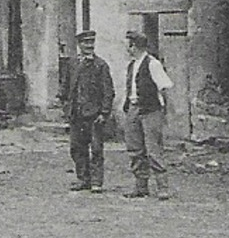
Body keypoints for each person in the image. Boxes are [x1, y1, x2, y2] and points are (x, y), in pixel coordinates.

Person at [122, 30, 174, 200]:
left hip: (151, 110)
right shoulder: (131, 65)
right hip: (133, 109)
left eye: (128, 44)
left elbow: (164, 87)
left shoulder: (153, 64)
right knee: (135, 148)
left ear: (134, 46)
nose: (127, 48)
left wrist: (164, 110)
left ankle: (162, 187)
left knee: (153, 149)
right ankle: (141, 186)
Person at [61, 29, 114, 192]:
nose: (89, 46)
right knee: (77, 147)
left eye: (91, 43)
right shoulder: (72, 63)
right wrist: (65, 105)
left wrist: (104, 113)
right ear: (79, 45)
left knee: (96, 148)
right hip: (76, 113)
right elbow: (66, 86)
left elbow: (108, 91)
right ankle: (83, 178)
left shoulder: (100, 65)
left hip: (94, 115)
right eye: (85, 43)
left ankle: (96, 182)